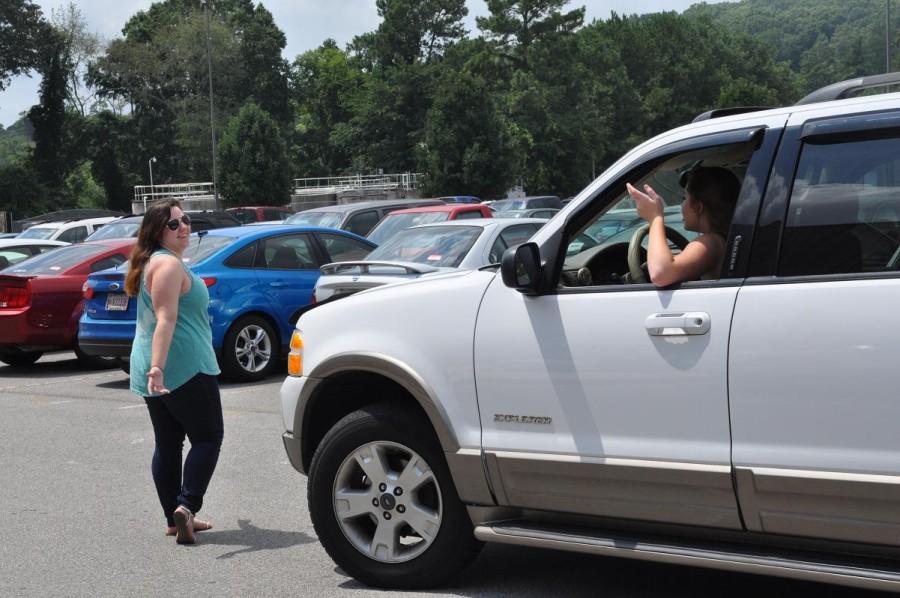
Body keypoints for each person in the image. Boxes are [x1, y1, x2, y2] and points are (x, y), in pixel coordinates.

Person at [125, 199, 223, 545]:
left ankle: (174, 518)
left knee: (168, 443)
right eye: (173, 224)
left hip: (158, 367)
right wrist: (158, 367)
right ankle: (186, 507)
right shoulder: (167, 266)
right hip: (183, 367)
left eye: (185, 220)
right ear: (156, 232)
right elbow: (166, 319)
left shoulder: (156, 262)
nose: (183, 227)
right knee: (208, 438)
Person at [626, 166, 740, 286]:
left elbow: (661, 273)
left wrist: (655, 218)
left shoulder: (710, 242)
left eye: (684, 198)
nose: (682, 205)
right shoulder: (726, 238)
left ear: (698, 207)